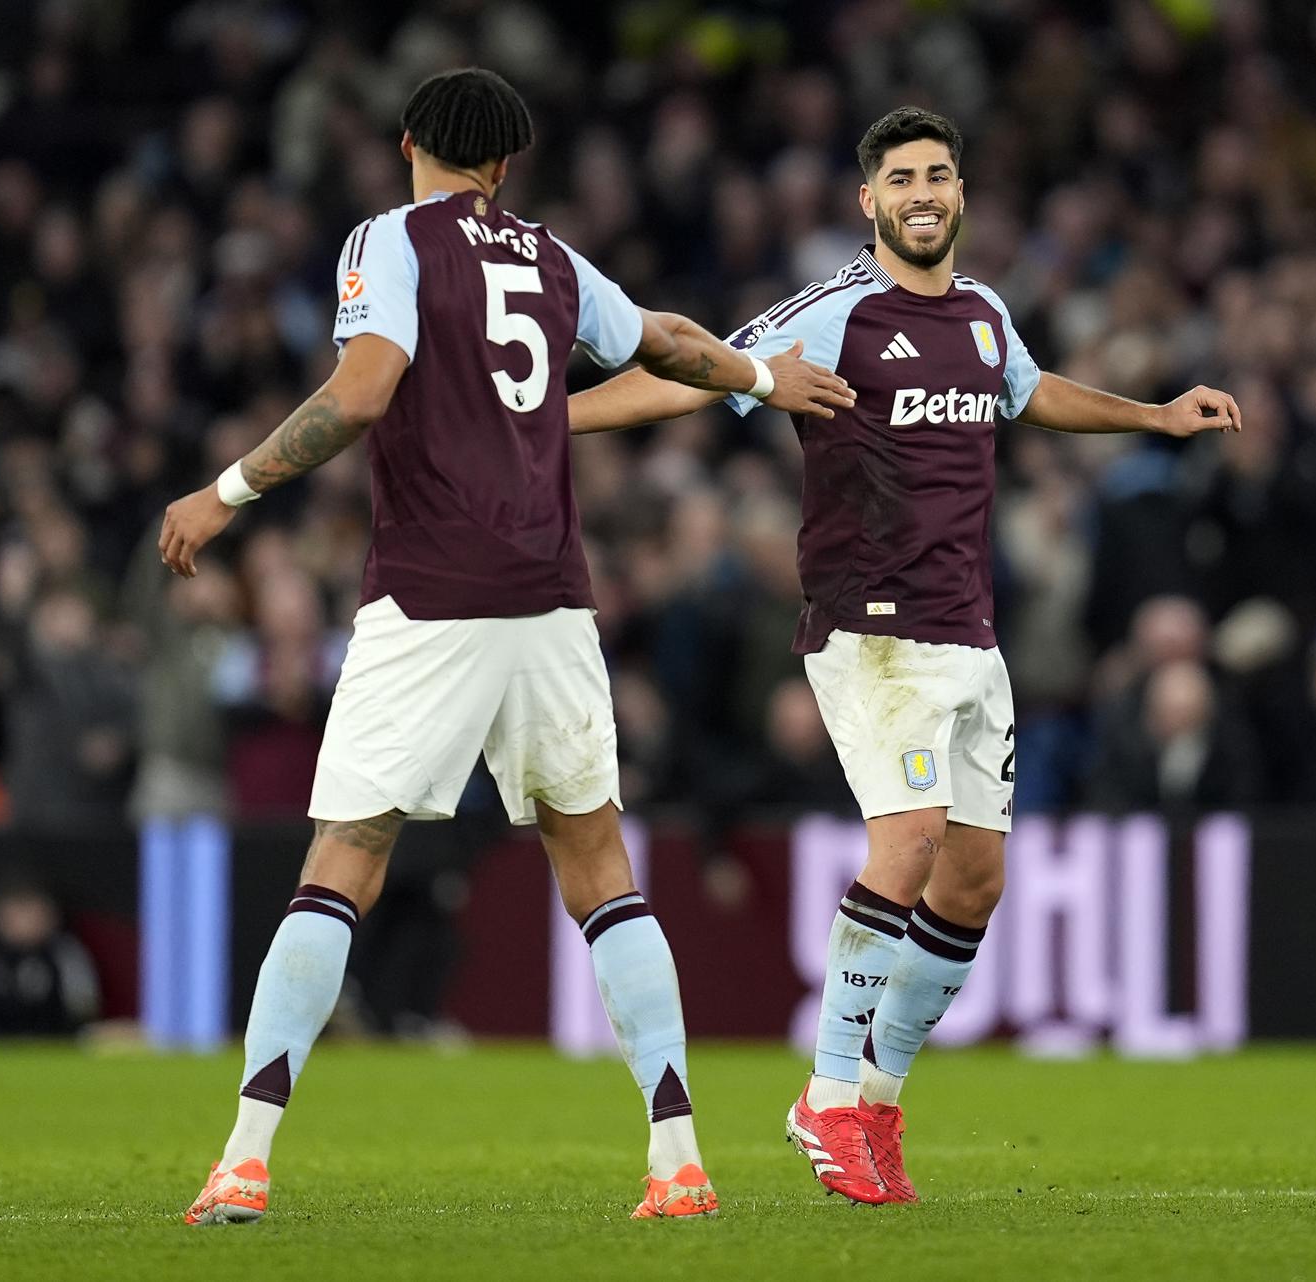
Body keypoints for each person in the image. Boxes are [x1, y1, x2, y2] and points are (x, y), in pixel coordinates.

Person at [157, 68, 854, 1225]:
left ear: (411, 144)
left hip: (431, 597)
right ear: (508, 163)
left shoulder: (387, 240)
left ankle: (244, 1157)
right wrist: (759, 375)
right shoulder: (553, 259)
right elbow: (669, 343)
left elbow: (365, 386)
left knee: (343, 862)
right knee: (598, 871)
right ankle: (678, 1159)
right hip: (552, 599)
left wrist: (227, 491)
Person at [569, 106, 1237, 1205]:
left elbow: (1028, 393)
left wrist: (1154, 419)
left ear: (961, 195)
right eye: (901, 179)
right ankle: (825, 1097)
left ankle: (877, 1100)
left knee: (975, 879)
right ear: (867, 202)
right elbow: (698, 369)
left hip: (970, 632)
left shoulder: (981, 314)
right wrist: (551, 419)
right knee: (914, 837)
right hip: (868, 628)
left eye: (939, 174)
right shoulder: (838, 312)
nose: (923, 192)